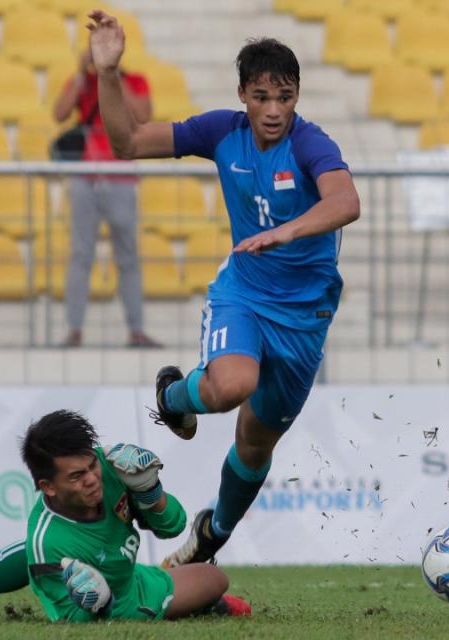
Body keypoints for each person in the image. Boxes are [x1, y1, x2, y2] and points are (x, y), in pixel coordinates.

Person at [86, 11, 361, 566]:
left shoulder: (311, 144)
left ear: (297, 95)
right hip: (244, 293)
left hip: (304, 319)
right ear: (243, 94)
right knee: (233, 383)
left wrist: (288, 229)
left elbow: (345, 202)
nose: (274, 110)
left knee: (255, 445)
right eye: (262, 97)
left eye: (285, 96)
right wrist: (109, 74)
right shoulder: (222, 132)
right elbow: (130, 141)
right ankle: (173, 396)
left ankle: (212, 533)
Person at [0, 410, 251, 621]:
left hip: (134, 579)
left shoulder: (112, 464)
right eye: (76, 476)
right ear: (48, 486)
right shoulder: (47, 542)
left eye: (91, 465)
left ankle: (176, 580)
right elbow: (66, 620)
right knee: (27, 552)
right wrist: (96, 606)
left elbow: (172, 525)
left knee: (216, 579)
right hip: (120, 607)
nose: (92, 479)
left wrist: (150, 491)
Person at [52, 47, 162, 349]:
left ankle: (136, 330)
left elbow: (142, 114)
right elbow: (59, 113)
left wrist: (111, 77)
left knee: (128, 255)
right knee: (81, 254)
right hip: (85, 175)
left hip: (120, 174)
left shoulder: (134, 80)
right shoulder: (82, 83)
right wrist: (80, 74)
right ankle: (74, 330)